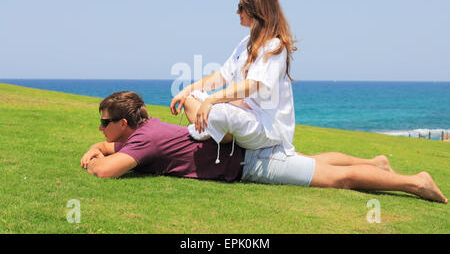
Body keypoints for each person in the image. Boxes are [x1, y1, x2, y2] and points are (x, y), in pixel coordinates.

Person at [81, 91, 448, 204]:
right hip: (248, 150)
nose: (101, 128)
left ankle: (414, 182)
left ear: (123, 124)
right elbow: (121, 151)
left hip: (249, 163)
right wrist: (101, 143)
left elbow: (106, 171)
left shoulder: (142, 141)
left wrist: (96, 156)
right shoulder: (149, 129)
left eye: (104, 123)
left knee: (338, 181)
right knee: (310, 161)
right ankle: (376, 161)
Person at [170, 0, 298, 162]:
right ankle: (215, 132)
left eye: (241, 7)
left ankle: (210, 132)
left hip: (266, 127)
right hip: (246, 116)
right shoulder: (246, 43)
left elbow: (252, 86)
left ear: (256, 9)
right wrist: (186, 90)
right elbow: (221, 76)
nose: (237, 12)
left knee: (217, 113)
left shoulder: (275, 46)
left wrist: (212, 100)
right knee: (192, 98)